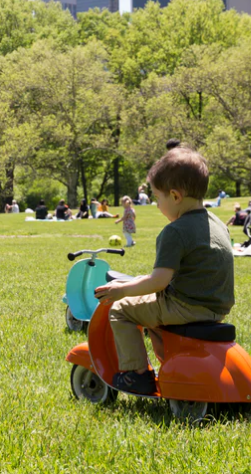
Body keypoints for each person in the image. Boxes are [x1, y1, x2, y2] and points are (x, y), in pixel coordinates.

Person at [93, 147, 234, 396]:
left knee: (122, 310)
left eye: (158, 198)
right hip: (216, 306)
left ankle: (136, 375)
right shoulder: (217, 223)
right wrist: (140, 281)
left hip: (185, 306)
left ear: (175, 196)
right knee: (150, 310)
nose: (157, 205)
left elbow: (159, 282)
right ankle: (168, 366)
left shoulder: (175, 231)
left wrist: (121, 290)